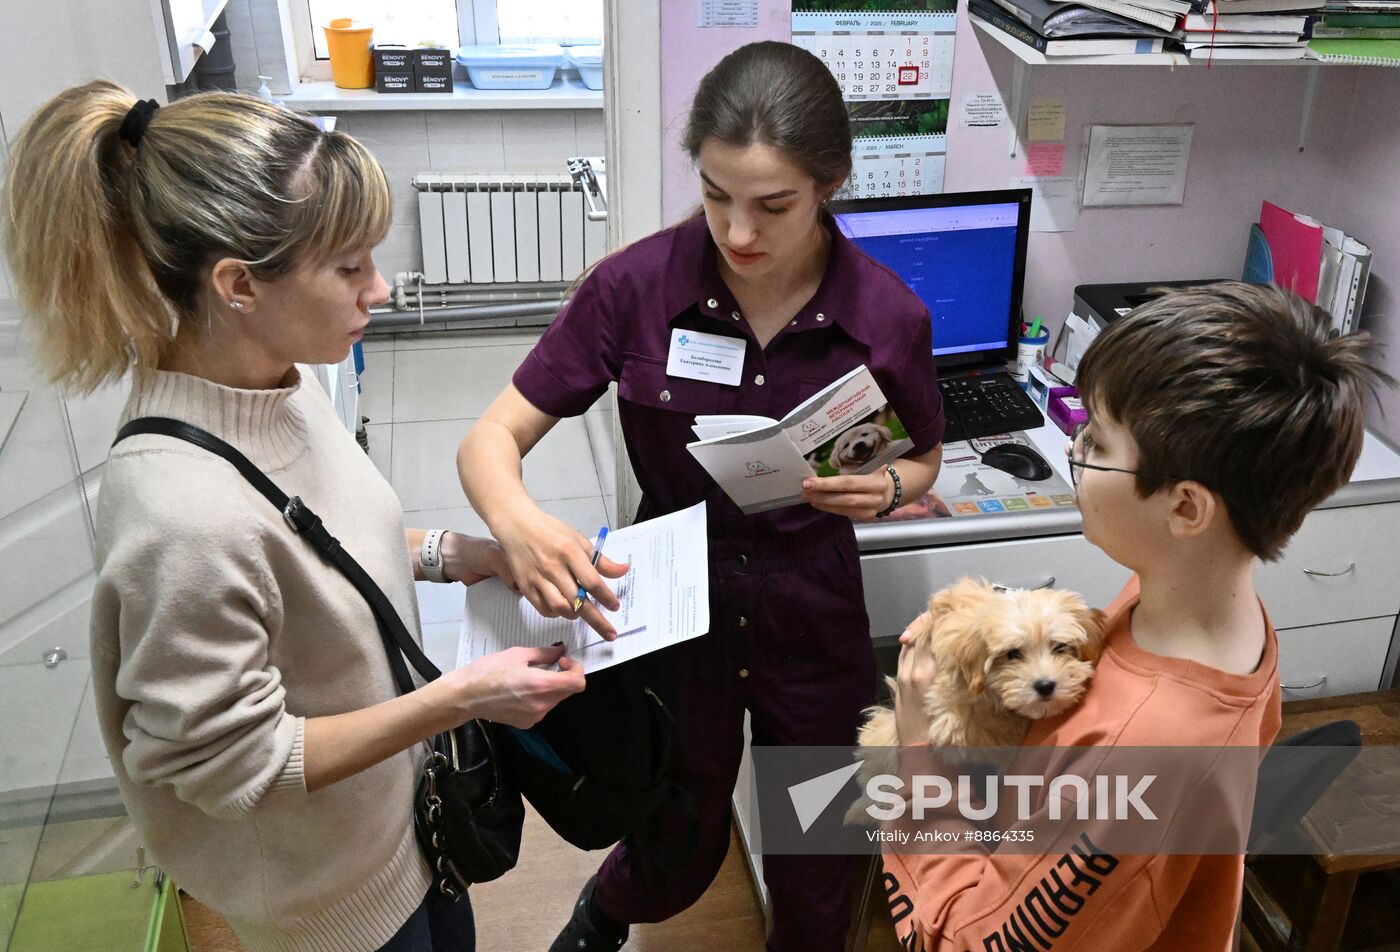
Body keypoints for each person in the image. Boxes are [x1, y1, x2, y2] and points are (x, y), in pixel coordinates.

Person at [0, 82, 588, 952]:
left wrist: (461, 554)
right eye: (350, 268)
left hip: (406, 833)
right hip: (330, 903)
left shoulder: (284, 383)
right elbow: (237, 764)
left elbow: (318, 543)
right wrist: (461, 697)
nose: (380, 291)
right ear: (239, 284)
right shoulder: (177, 517)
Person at [457, 41, 946, 952]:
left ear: (831, 182)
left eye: (773, 205)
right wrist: (516, 522)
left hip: (814, 608)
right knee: (676, 836)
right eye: (716, 195)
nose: (738, 232)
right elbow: (491, 438)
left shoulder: (887, 317)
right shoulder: (635, 288)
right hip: (675, 598)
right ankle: (605, 909)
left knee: (819, 846)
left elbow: (925, 459)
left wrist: (884, 489)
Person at [880, 282, 1386, 951]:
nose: (1072, 452)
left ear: (1184, 509)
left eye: (1096, 443)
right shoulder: (1209, 611)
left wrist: (917, 749)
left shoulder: (1141, 755)